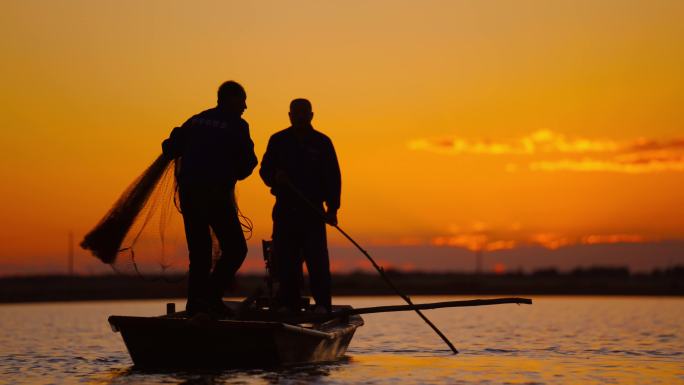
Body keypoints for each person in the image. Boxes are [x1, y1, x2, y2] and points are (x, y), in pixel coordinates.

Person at [162, 81, 258, 316]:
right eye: (242, 100)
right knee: (236, 250)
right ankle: (210, 298)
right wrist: (232, 171)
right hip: (216, 196)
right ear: (230, 100)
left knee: (199, 253)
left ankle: (196, 304)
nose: (245, 106)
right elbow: (248, 164)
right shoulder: (237, 125)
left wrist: (175, 138)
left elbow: (170, 148)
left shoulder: (195, 120)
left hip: (190, 197)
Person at [259, 98, 341, 313]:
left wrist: (332, 209)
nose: (300, 116)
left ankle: (322, 305)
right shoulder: (278, 140)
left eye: (304, 113)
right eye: (296, 113)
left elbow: (333, 178)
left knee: (318, 261)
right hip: (285, 211)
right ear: (290, 115)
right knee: (286, 261)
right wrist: (275, 178)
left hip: (313, 213)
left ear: (311, 115)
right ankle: (288, 304)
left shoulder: (323, 142)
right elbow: (264, 170)